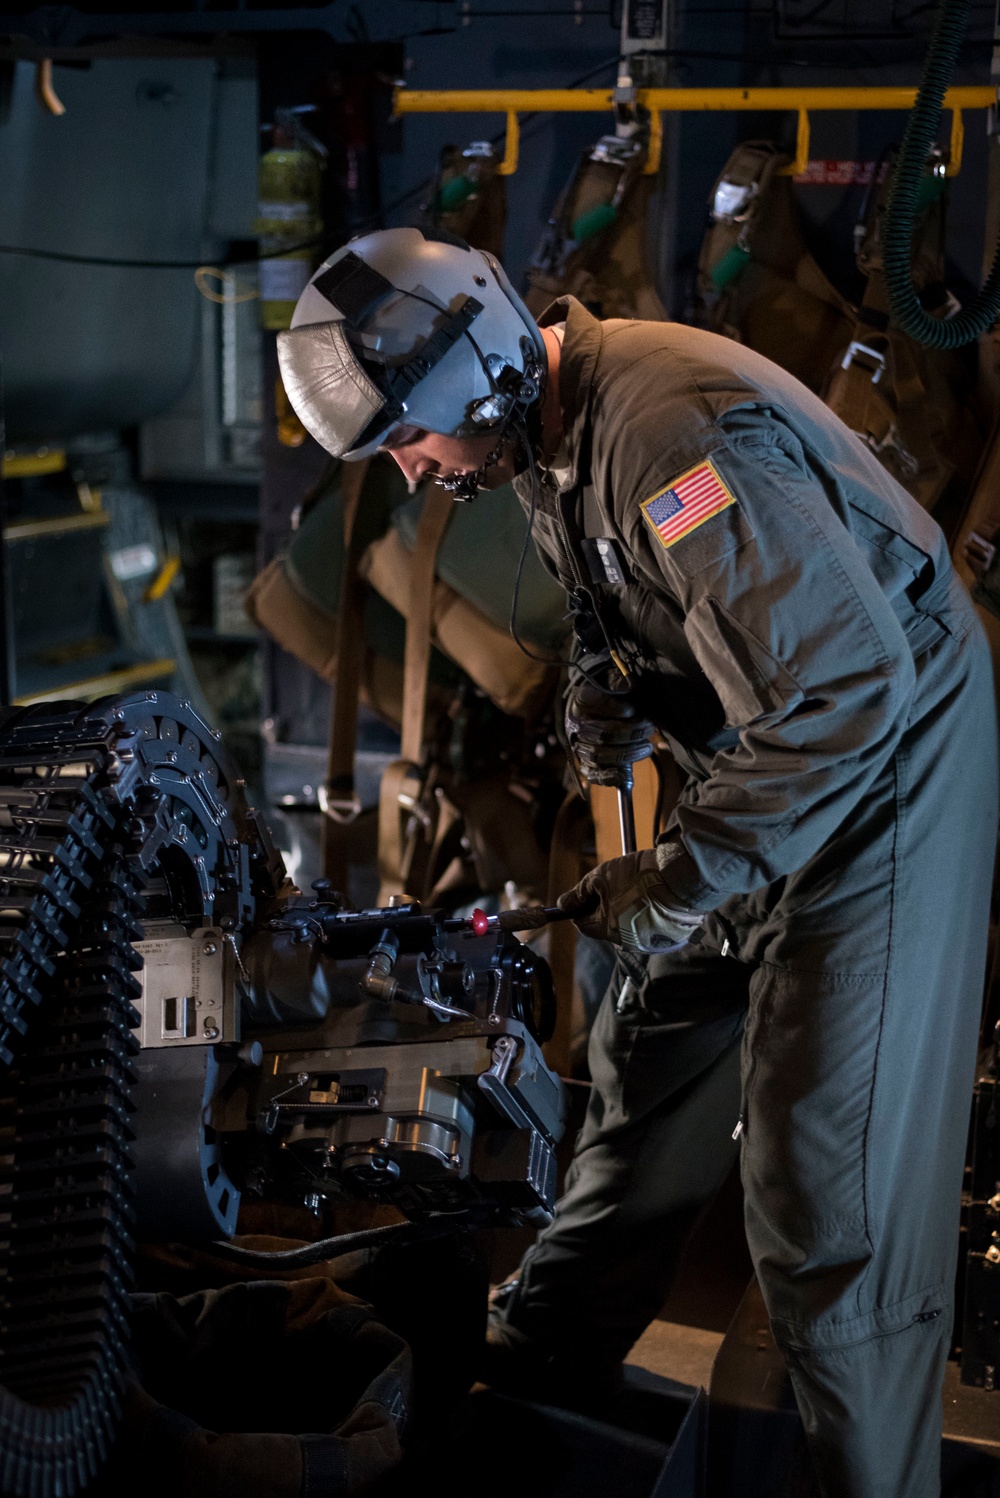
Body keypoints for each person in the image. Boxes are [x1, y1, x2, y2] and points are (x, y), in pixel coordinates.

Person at [277, 225, 999, 1498]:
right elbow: (663, 600)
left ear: (476, 372)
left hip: (881, 775)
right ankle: (545, 1354)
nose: (411, 467)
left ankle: (866, 1477)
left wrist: (683, 881)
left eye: (408, 437)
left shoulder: (672, 436)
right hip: (775, 749)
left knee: (824, 1188)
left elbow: (847, 688)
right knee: (647, 1046)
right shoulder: (550, 440)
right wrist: (607, 687)